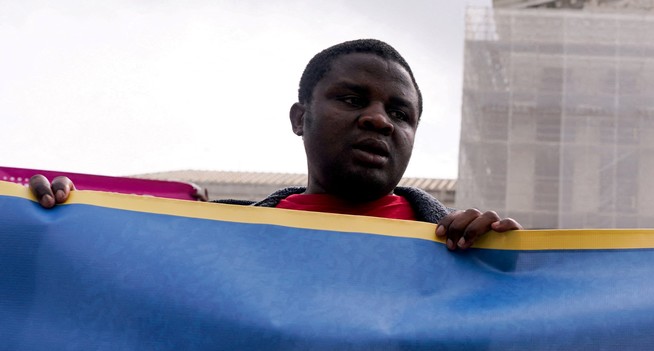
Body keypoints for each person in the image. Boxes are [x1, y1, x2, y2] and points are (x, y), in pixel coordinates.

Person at [28, 39, 519, 251]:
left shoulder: (465, 250)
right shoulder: (213, 243)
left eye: (400, 113)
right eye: (352, 99)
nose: (378, 119)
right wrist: (56, 226)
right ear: (300, 118)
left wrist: (514, 269)